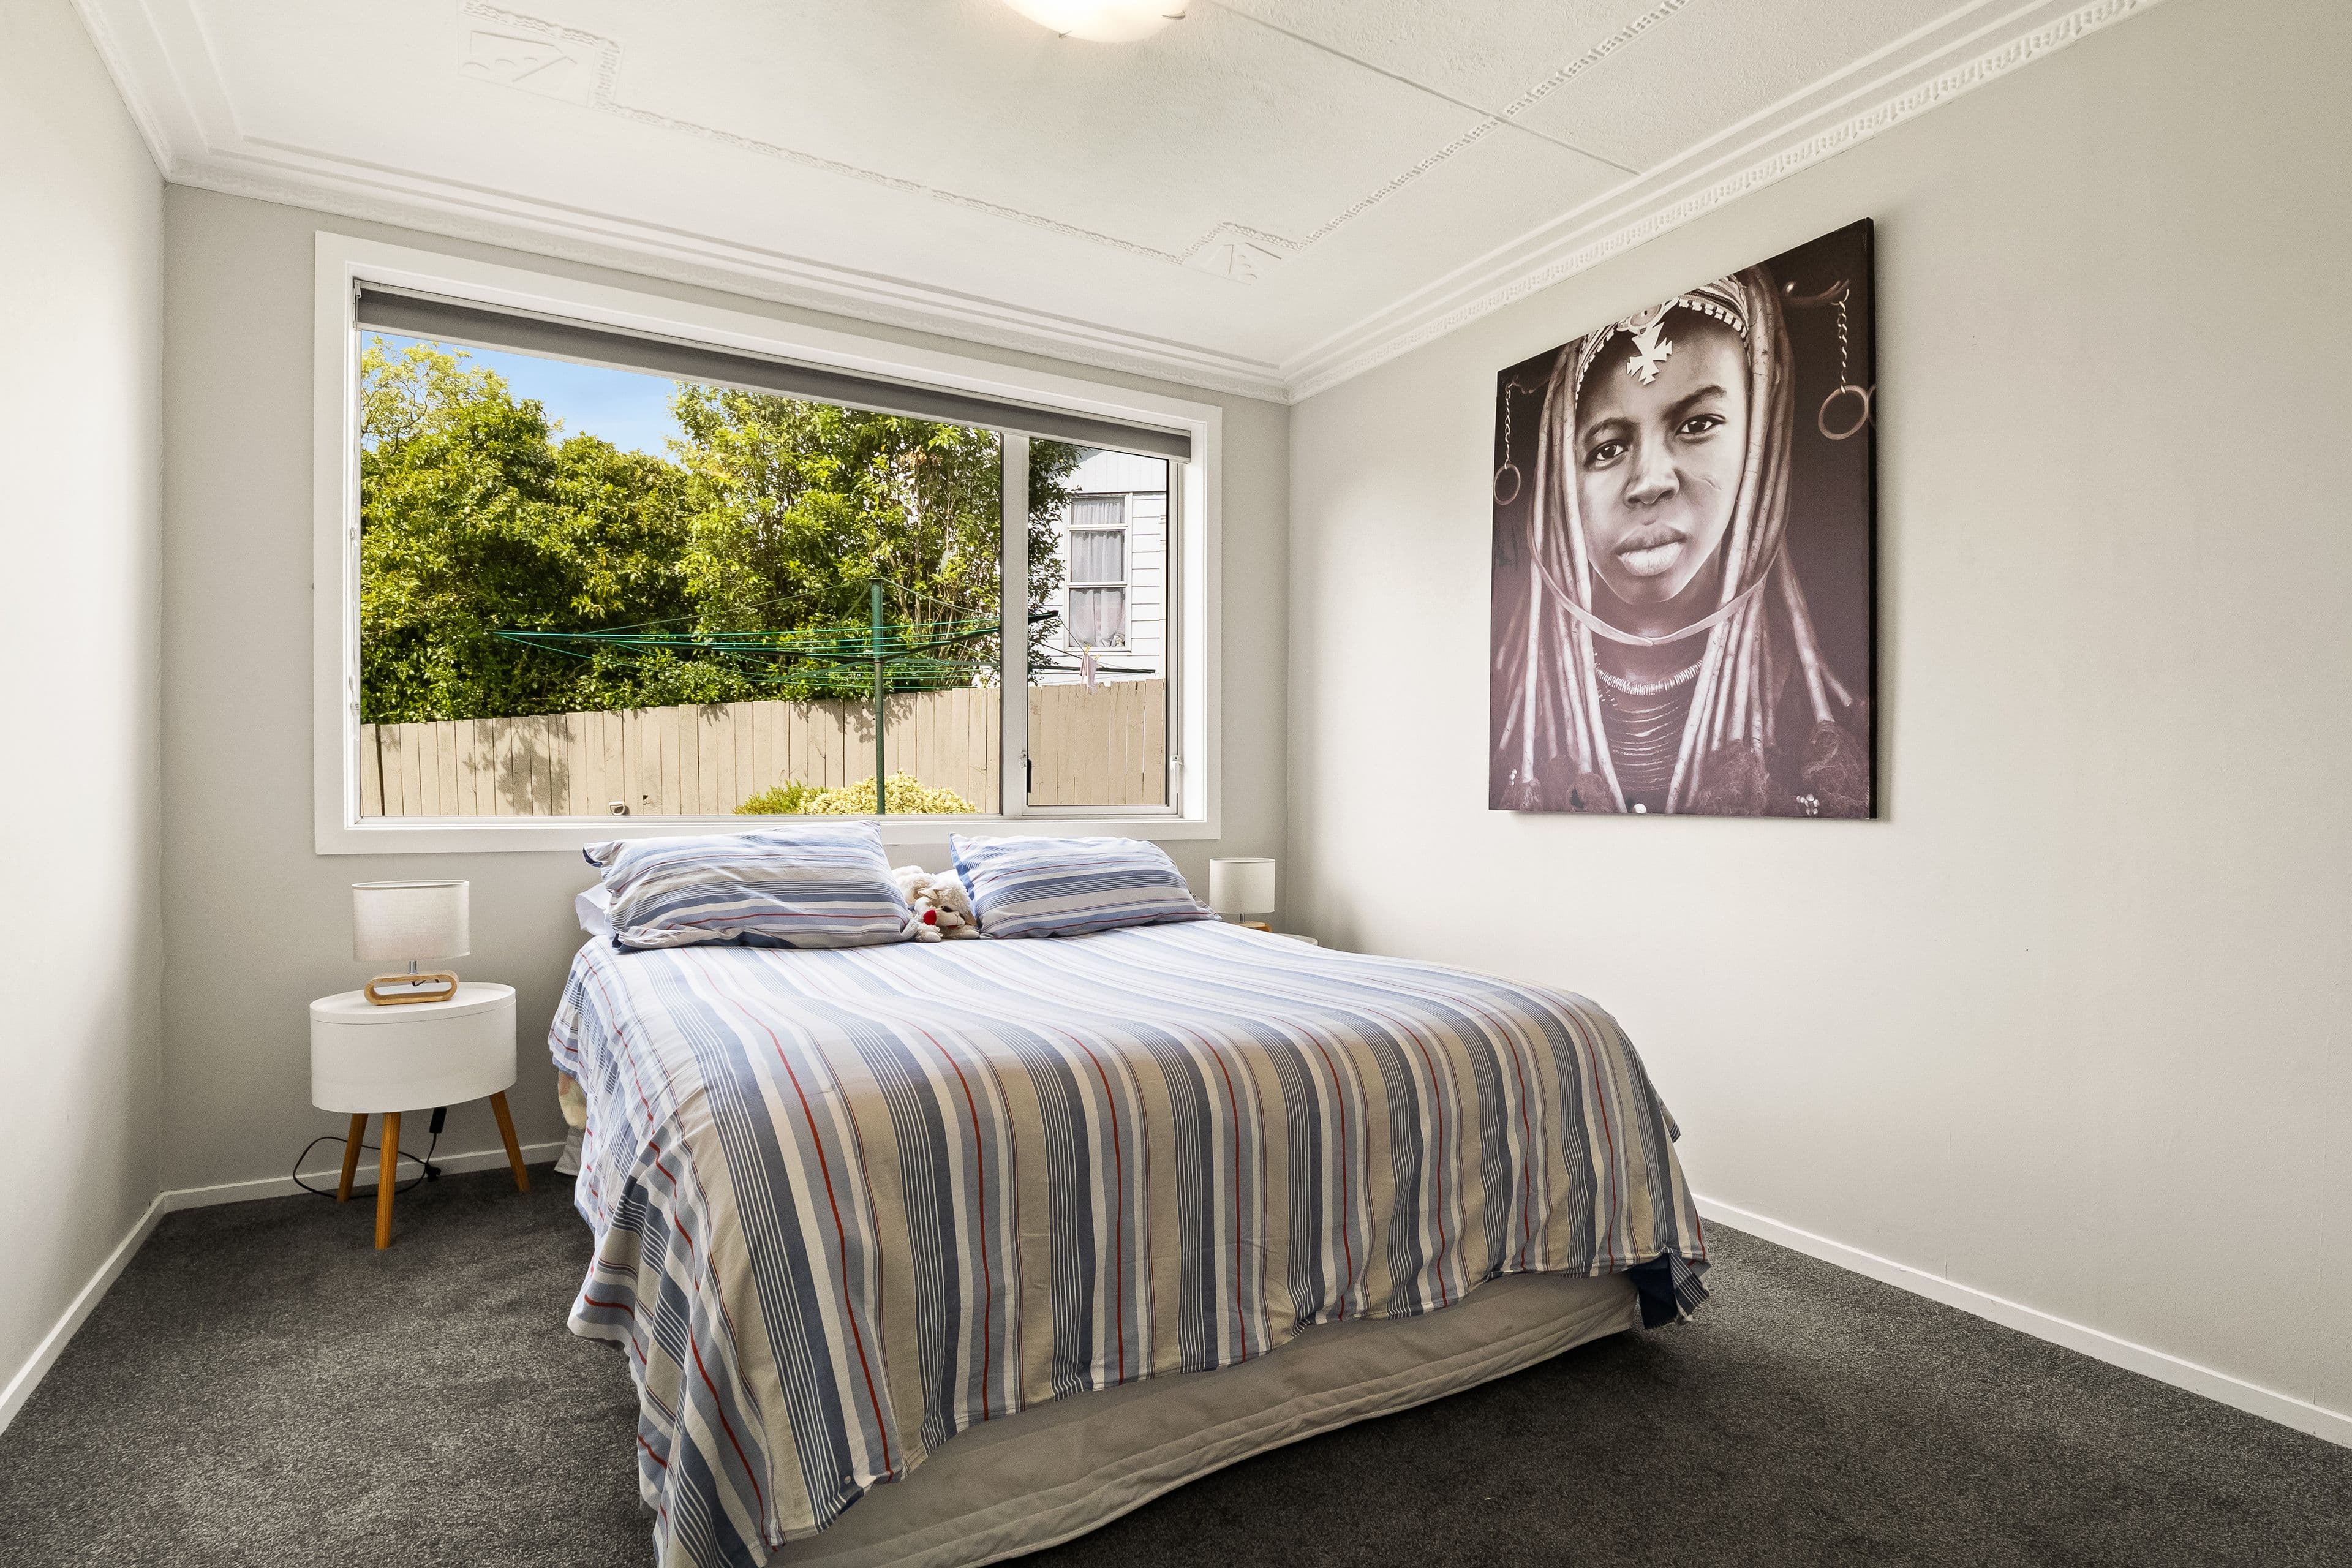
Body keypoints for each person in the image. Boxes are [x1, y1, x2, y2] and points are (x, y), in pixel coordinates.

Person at [1490, 266, 1867, 816]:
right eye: (1607, 449)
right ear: (1562, 484)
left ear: (1758, 440)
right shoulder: (1498, 719)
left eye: (1697, 425)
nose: (1649, 482)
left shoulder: (1827, 720)